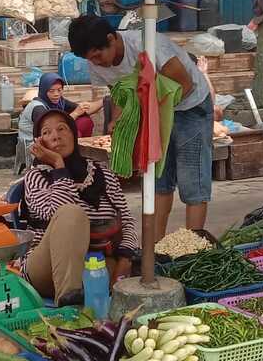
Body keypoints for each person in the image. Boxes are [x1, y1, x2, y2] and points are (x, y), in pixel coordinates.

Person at [68, 15, 213, 240]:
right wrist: (117, 120)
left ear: (111, 38)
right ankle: (156, 248)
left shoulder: (149, 46)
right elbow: (118, 93)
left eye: (98, 55)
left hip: (190, 106)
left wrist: (152, 117)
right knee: (158, 179)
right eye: (91, 59)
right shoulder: (95, 63)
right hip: (154, 113)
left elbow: (186, 84)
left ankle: (192, 248)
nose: (97, 63)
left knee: (191, 179)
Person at [22, 110, 139, 305]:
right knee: (71, 213)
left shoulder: (102, 171)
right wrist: (59, 166)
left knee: (141, 273)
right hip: (45, 269)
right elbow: (58, 211)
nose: (55, 136)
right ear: (39, 143)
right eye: (46, 132)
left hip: (95, 265)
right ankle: (69, 303)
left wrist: (125, 260)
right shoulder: (36, 177)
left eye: (62, 128)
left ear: (74, 134)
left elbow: (126, 219)